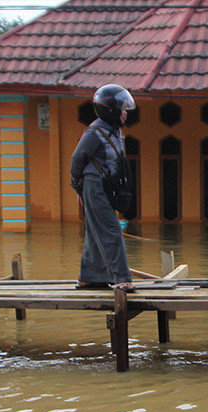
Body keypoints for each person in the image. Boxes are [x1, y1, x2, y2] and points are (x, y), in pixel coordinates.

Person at [70, 84, 136, 292]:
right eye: (123, 109)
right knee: (111, 229)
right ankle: (121, 278)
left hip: (105, 186)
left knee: (95, 230)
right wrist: (78, 189)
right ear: (111, 109)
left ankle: (88, 277)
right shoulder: (94, 132)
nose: (126, 113)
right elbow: (77, 161)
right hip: (93, 184)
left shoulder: (115, 132)